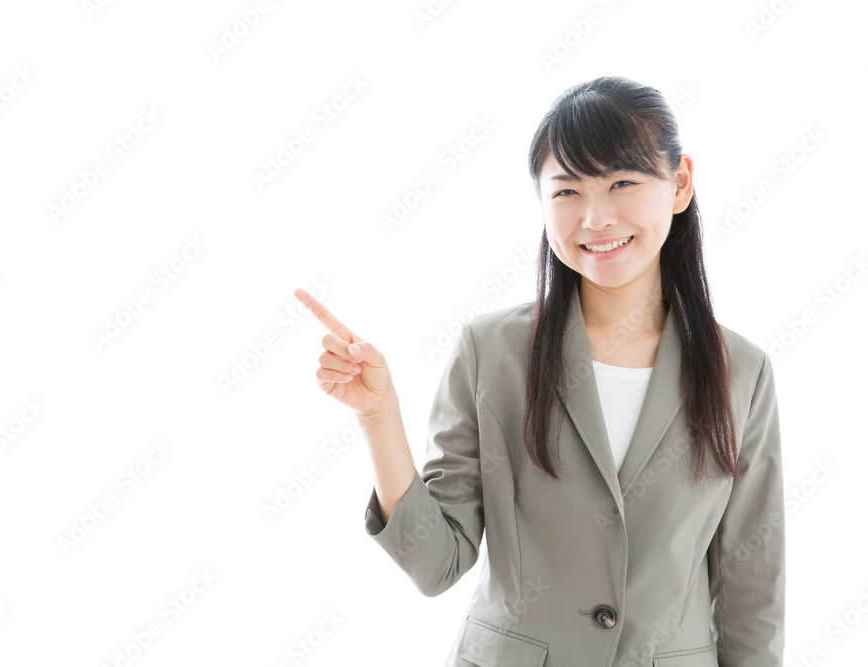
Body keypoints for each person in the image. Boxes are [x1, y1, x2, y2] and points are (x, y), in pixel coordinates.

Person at [293, 75, 784, 667]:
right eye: (567, 191)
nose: (596, 218)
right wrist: (378, 416)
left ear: (678, 184)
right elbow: (436, 564)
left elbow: (751, 589)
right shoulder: (492, 350)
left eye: (623, 182)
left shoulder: (742, 372)